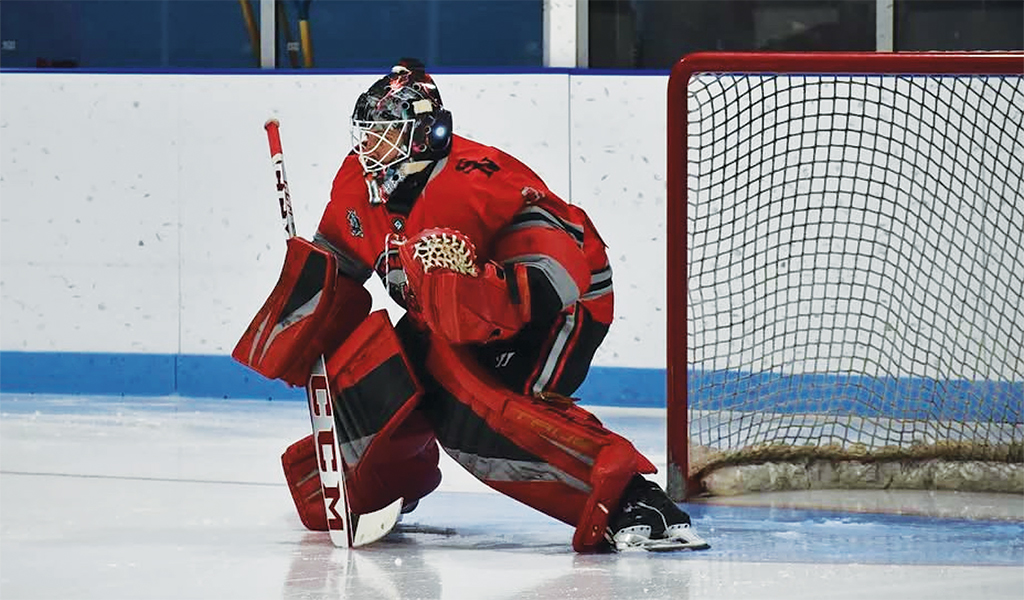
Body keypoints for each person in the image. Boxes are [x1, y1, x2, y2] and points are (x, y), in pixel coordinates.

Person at [233, 58, 709, 552]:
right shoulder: (358, 182)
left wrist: (477, 297)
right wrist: (304, 316)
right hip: (455, 315)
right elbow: (338, 266)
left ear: (425, 136)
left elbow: (563, 270)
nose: (369, 149)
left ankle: (633, 497)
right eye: (366, 135)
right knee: (386, 374)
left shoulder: (478, 180)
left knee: (476, 412)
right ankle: (389, 483)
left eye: (385, 136)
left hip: (558, 310)